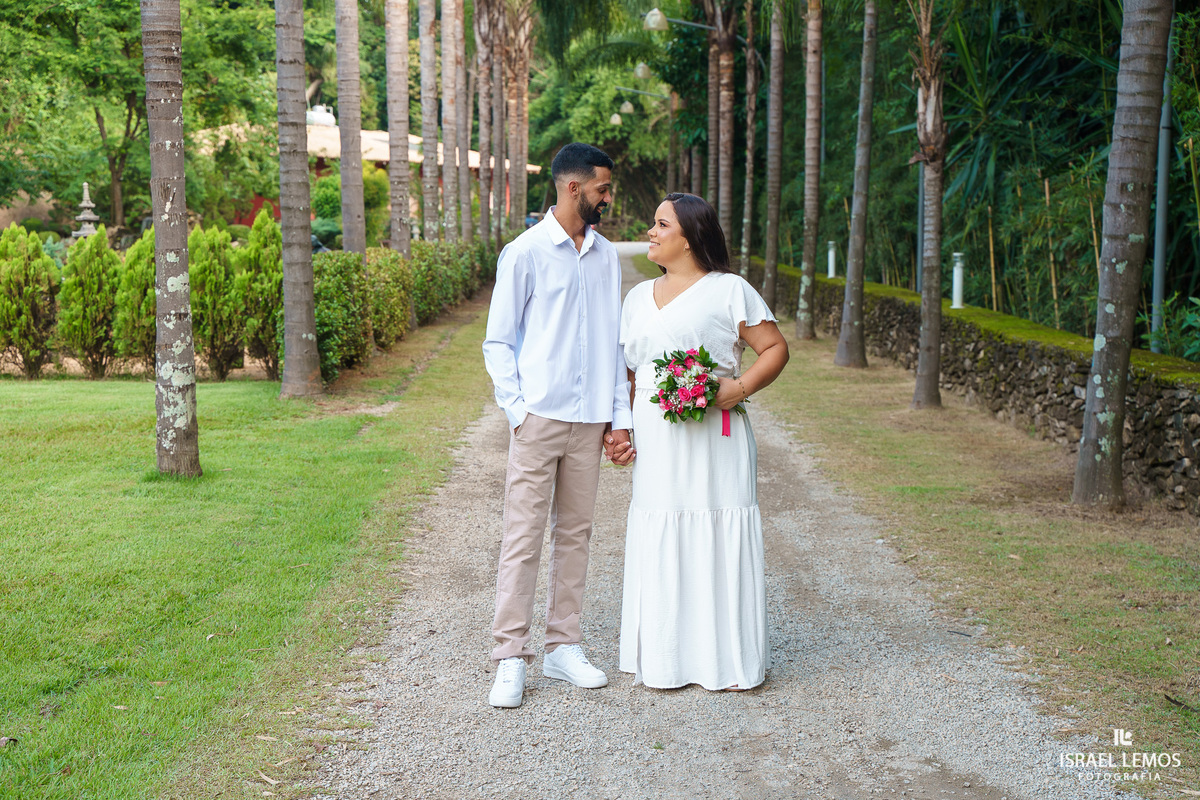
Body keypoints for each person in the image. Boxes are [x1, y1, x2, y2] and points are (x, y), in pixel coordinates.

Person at [482, 143, 635, 709]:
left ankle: (562, 646)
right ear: (574, 189)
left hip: (590, 419)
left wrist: (619, 418)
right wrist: (518, 411)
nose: (607, 198)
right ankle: (509, 658)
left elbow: (614, 345)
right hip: (540, 417)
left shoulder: (605, 257)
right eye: (602, 189)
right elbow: (498, 340)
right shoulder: (523, 254)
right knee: (522, 538)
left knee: (576, 535)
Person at [615, 193, 788, 691]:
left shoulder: (729, 290)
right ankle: (667, 660)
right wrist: (620, 428)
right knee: (661, 526)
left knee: (716, 528)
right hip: (657, 439)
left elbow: (774, 348)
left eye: (660, 223)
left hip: (716, 435)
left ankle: (727, 662)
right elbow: (628, 373)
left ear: (688, 237)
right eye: (652, 223)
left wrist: (736, 388)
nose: (650, 231)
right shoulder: (635, 299)